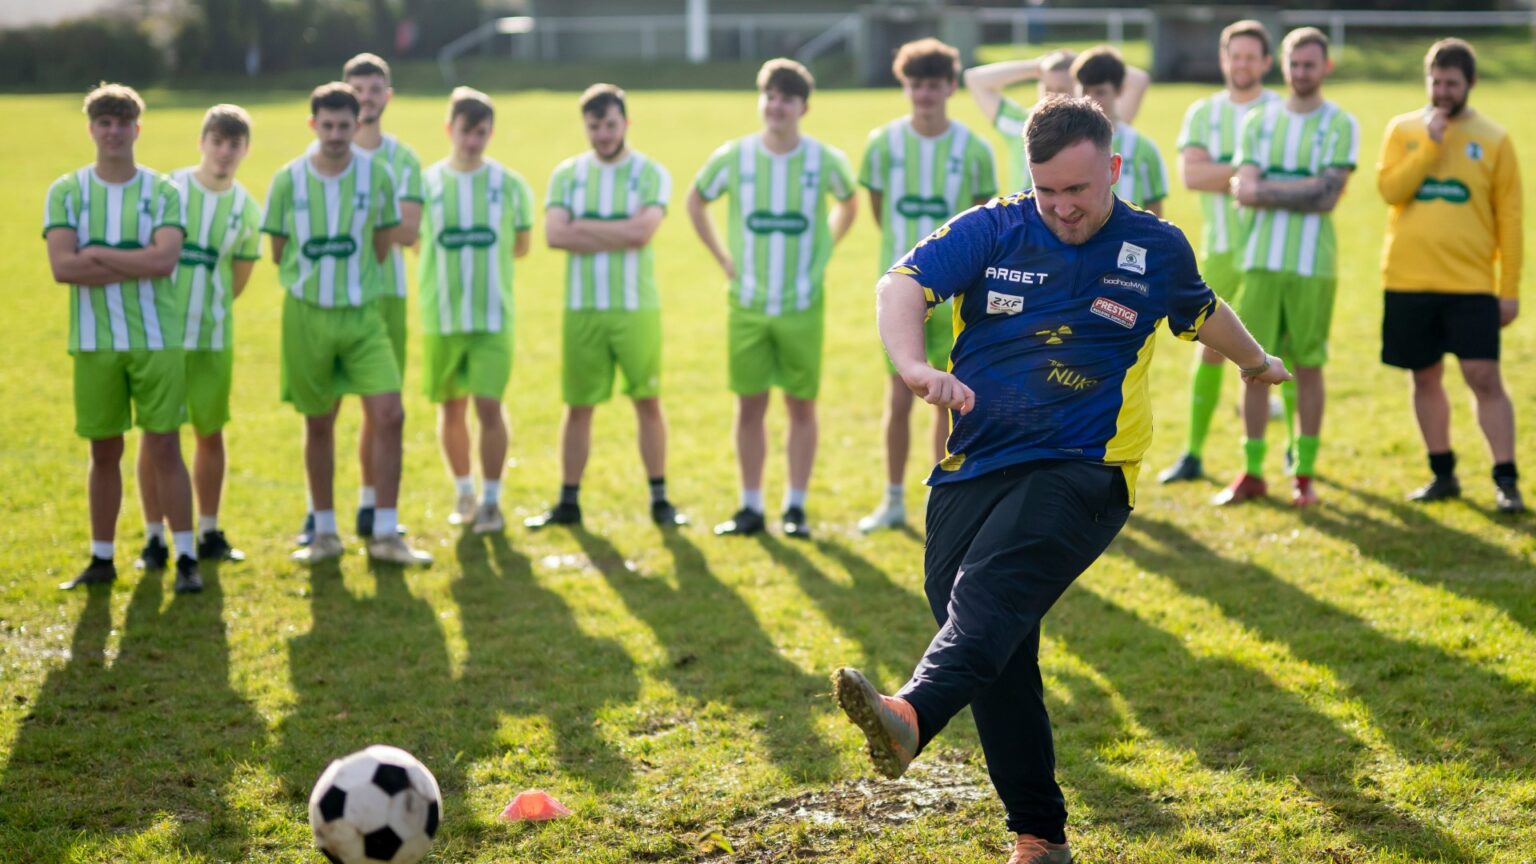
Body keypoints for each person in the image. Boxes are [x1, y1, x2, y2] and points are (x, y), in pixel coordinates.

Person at [830, 95, 1291, 864]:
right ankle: (1040, 837)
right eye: (1047, 191)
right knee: (985, 637)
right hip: (974, 462)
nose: (1062, 207)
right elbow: (899, 284)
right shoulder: (995, 226)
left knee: (984, 598)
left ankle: (910, 715)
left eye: (1077, 190)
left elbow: (1203, 310)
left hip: (1086, 466)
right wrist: (913, 366)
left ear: (1112, 169)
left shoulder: (1155, 247)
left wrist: (1255, 364)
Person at [688, 59, 857, 539]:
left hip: (803, 303)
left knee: (801, 406)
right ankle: (750, 506)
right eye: (770, 96)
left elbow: (849, 201)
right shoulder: (734, 156)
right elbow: (695, 200)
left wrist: (826, 246)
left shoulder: (824, 160)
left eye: (787, 98)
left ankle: (796, 507)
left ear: (803, 106)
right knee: (749, 407)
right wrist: (723, 257)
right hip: (747, 303)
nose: (776, 105)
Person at [262, 82, 431, 565]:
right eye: (327, 125)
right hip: (308, 315)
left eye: (344, 125)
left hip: (363, 315)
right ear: (313, 124)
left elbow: (382, 244)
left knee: (390, 414)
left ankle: (384, 532)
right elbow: (278, 251)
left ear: (358, 125)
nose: (336, 134)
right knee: (320, 423)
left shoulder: (377, 176)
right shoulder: (287, 179)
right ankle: (325, 532)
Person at [45, 82, 202, 593]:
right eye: (104, 123)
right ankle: (102, 557)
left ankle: (185, 557)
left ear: (139, 128)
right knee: (104, 451)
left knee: (164, 446)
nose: (114, 132)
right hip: (95, 342)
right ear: (92, 129)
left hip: (156, 339)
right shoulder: (66, 191)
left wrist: (98, 255)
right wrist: (129, 260)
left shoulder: (162, 191)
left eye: (123, 122)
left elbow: (164, 261)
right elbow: (63, 269)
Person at [527, 83, 687, 529]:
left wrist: (586, 229)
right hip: (583, 309)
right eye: (594, 125)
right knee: (578, 406)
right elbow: (555, 236)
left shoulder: (650, 173)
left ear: (626, 123)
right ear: (585, 125)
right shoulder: (567, 174)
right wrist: (619, 230)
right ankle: (568, 501)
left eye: (610, 124)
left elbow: (642, 234)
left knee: (647, 401)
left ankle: (659, 499)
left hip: (636, 309)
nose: (602, 134)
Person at [1377, 38, 1524, 513]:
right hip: (1408, 279)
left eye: (1451, 84)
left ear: (1471, 84)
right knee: (1424, 376)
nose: (1441, 92)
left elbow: (1512, 221)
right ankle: (1443, 473)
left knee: (1483, 376)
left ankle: (1506, 478)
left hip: (1471, 285)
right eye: (1435, 82)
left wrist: (1509, 290)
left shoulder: (1496, 139)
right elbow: (1390, 190)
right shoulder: (1403, 130)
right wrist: (1428, 148)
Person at [857, 38, 997, 533]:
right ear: (905, 86)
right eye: (916, 85)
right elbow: (877, 209)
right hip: (903, 299)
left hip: (958, 299)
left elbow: (985, 223)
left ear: (950, 88)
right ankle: (893, 499)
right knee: (899, 399)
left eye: (934, 86)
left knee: (955, 401)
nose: (925, 95)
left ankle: (948, 500)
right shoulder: (882, 144)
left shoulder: (974, 150)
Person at [1218, 27, 1358, 507]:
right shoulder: (1259, 120)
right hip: (1259, 261)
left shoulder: (1341, 123)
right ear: (1283, 66)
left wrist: (1269, 190)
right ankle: (1252, 471)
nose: (1301, 73)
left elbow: (1328, 197)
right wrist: (1305, 186)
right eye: (1294, 64)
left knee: (1309, 366)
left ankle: (1304, 474)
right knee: (1253, 367)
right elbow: (1248, 188)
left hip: (1312, 266)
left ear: (1326, 68)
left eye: (1310, 65)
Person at [296, 53, 424, 544]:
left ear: (386, 96)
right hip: (326, 299)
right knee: (322, 408)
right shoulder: (314, 160)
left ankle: (371, 505)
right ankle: (317, 513)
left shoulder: (403, 159)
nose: (367, 97)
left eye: (375, 89)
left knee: (382, 408)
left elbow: (409, 231)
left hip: (383, 294)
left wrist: (350, 223)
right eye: (358, 88)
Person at [137, 105, 264, 569]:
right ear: (201, 142)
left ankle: (209, 530)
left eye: (234, 144)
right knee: (157, 436)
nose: (224, 152)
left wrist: (209, 311)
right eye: (217, 141)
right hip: (160, 336)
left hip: (212, 338)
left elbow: (240, 275)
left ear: (245, 150)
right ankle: (154, 538)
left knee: (210, 433)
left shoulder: (247, 207)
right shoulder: (168, 190)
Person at [1159, 20, 1283, 484]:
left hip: (1272, 250)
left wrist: (1227, 172)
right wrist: (1252, 173)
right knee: (1209, 350)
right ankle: (1192, 454)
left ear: (1266, 63)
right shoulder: (1202, 112)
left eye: (1253, 56)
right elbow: (1192, 177)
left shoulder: (1280, 110)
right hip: (1220, 250)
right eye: (1236, 55)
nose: (1244, 64)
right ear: (1223, 58)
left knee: (1279, 349)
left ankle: (1288, 457)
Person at [418, 87, 534, 534]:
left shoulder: (510, 185)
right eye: (466, 132)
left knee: (489, 405)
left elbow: (522, 246)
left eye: (481, 133)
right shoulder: (426, 185)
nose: (472, 142)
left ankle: (492, 499)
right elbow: (414, 243)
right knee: (450, 409)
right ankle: (463, 489)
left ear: (491, 133)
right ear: (449, 129)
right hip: (442, 318)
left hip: (492, 317)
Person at [964, 50, 1148, 192]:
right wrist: (1037, 66)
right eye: (1047, 87)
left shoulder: (1097, 127)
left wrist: (1082, 62)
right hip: (1025, 233)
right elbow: (974, 79)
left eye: (1061, 89)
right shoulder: (1021, 124)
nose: (1052, 96)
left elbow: (1139, 79)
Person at [1071, 46, 1168, 216]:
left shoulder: (1144, 148)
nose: (1090, 99)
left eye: (1100, 92)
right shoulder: (1065, 143)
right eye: (1085, 90)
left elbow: (1154, 210)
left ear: (1120, 90)